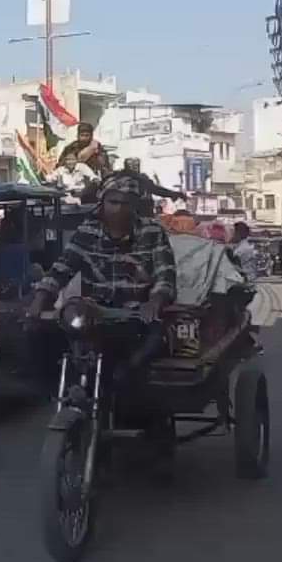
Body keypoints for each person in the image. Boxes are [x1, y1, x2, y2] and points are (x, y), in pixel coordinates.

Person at [26, 174, 178, 474]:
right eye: (113, 202)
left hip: (136, 317)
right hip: (94, 314)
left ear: (135, 206)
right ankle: (64, 394)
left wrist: (155, 301)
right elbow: (61, 269)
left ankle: (148, 426)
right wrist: (39, 301)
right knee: (42, 335)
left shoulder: (152, 231)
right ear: (102, 202)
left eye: (125, 203)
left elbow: (166, 276)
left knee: (134, 369)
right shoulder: (87, 231)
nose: (118, 209)